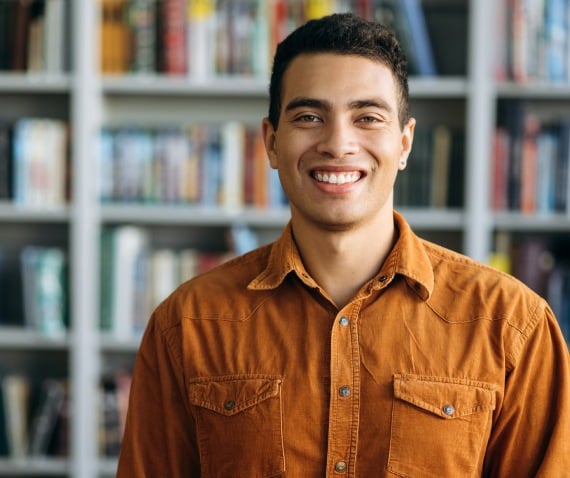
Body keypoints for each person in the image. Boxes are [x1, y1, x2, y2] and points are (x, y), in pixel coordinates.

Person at [116, 13, 570, 477]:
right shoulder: (186, 325)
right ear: (272, 143)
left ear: (405, 142)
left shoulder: (513, 326)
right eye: (310, 116)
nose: (338, 143)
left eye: (367, 117)